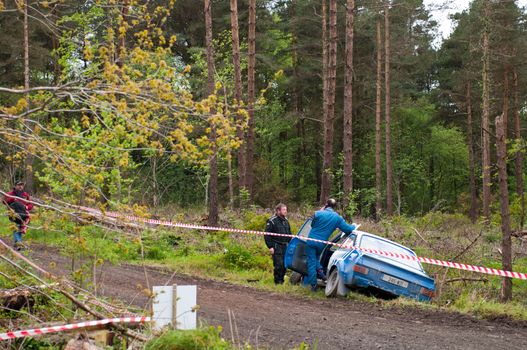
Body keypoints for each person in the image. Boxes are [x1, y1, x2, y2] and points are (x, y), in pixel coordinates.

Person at [304, 198, 356, 292]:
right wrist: (354, 226)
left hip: (311, 240)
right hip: (322, 243)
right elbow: (348, 229)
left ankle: (313, 285)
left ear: (326, 205)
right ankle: (322, 275)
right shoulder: (337, 218)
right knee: (316, 259)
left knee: (312, 261)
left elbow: (312, 225)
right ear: (335, 207)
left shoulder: (318, 213)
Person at [264, 203, 292, 284]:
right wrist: (270, 247)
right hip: (276, 246)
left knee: (284, 266)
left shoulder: (286, 221)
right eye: (283, 210)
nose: (285, 211)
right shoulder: (272, 221)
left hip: (285, 246)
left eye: (286, 210)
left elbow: (289, 234)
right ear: (278, 210)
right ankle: (277, 282)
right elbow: (267, 235)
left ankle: (281, 281)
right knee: (278, 265)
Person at [3, 181, 33, 250]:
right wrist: (13, 199)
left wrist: (26, 207)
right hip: (13, 214)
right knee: (16, 227)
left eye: (22, 185)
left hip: (23, 214)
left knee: (20, 228)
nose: (20, 186)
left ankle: (17, 243)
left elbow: (31, 204)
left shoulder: (25, 195)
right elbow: (4, 201)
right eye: (19, 185)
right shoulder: (11, 194)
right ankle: (18, 244)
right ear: (15, 186)